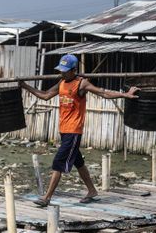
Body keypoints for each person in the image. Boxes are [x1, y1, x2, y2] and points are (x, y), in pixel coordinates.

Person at [19, 54, 139, 205]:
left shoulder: (81, 84)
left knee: (58, 162)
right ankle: (92, 191)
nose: (62, 73)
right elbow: (45, 95)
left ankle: (47, 198)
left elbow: (103, 92)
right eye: (61, 70)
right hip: (64, 130)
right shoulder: (61, 83)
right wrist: (25, 86)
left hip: (74, 131)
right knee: (78, 162)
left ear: (74, 70)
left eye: (65, 71)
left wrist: (124, 94)